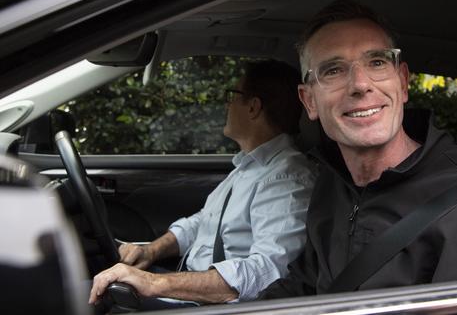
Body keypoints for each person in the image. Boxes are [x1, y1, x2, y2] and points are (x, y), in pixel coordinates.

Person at [259, 0, 457, 298]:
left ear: (403, 83)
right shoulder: (332, 184)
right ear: (310, 101)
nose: (360, 84)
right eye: (333, 70)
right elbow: (303, 287)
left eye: (377, 62)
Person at [88, 60, 317, 307]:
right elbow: (202, 222)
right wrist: (150, 251)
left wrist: (155, 284)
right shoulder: (249, 168)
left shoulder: (286, 177)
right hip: (197, 293)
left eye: (233, 95)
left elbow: (269, 271)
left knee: (82, 296)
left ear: (253, 107)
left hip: (215, 305)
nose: (227, 104)